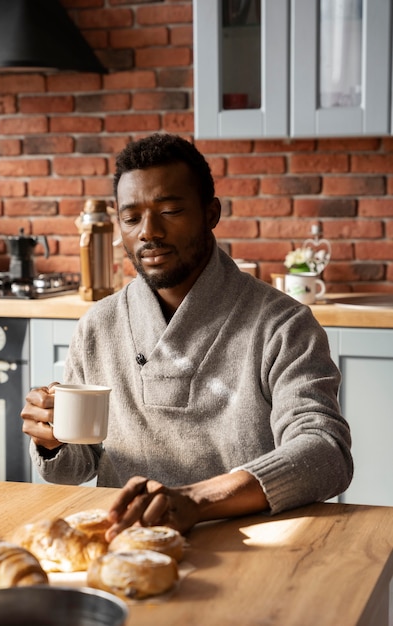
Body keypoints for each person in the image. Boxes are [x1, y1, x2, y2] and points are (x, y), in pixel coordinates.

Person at [21, 133, 353, 541]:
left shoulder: (283, 325)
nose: (149, 232)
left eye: (171, 210)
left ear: (210, 213)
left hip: (249, 548)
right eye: (131, 218)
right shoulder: (99, 325)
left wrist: (195, 501)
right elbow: (77, 467)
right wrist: (53, 440)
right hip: (126, 544)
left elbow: (325, 453)